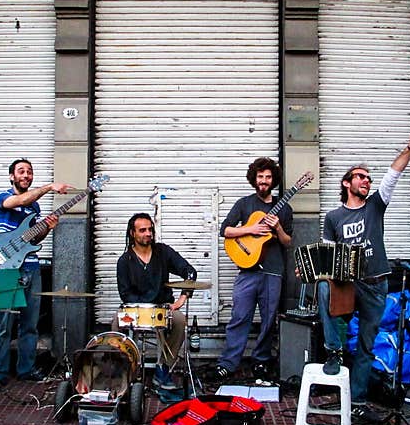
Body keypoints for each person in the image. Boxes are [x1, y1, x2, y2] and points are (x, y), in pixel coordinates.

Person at [316, 128, 410, 425]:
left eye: (367, 178)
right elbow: (327, 255)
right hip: (349, 283)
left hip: (377, 283)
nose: (366, 181)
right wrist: (314, 270)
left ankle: (359, 402)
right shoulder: (333, 218)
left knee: (366, 345)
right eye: (360, 177)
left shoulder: (376, 205)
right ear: (347, 183)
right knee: (324, 292)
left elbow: (393, 174)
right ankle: (333, 352)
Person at [0, 158, 75, 393]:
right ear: (11, 176)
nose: (26, 175)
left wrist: (47, 227)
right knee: (3, 324)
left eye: (29, 172)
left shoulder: (34, 209)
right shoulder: (3, 197)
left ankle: (26, 369)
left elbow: (33, 240)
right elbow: (21, 200)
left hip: (31, 266)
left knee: (30, 324)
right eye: (21, 171)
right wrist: (49, 187)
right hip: (6, 266)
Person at [214, 157, 293, 383]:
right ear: (254, 179)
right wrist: (251, 229)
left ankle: (261, 361)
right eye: (260, 177)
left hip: (273, 271)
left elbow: (288, 242)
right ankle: (228, 363)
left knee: (269, 320)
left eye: (268, 177)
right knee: (239, 317)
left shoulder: (284, 208)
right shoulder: (244, 204)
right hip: (247, 270)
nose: (264, 181)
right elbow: (225, 230)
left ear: (273, 180)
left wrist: (277, 227)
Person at [114, 212, 196, 391]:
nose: (148, 233)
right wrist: (143, 309)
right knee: (116, 322)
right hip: (136, 309)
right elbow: (125, 294)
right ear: (132, 233)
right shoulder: (124, 261)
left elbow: (190, 272)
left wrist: (183, 297)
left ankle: (163, 368)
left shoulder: (163, 251)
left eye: (150, 229)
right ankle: (124, 370)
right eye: (142, 230)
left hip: (163, 308)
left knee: (180, 320)